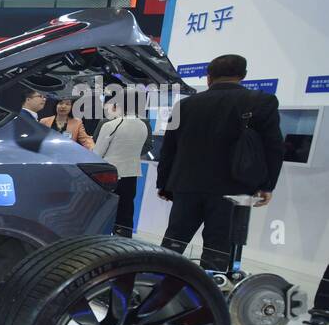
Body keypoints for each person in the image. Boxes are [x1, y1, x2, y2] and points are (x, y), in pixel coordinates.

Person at [158, 54, 284, 272]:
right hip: (233, 186)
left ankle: (155, 286)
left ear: (209, 77)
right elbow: (273, 147)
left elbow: (169, 147)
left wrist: (164, 183)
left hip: (187, 185)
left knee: (173, 243)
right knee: (218, 249)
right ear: (243, 75)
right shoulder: (261, 101)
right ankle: (208, 297)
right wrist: (267, 185)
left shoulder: (186, 105)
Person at [93, 98, 148, 237]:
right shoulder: (143, 125)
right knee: (126, 214)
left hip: (108, 176)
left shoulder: (111, 125)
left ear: (117, 106)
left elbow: (97, 154)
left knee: (102, 213)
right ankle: (124, 245)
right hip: (131, 175)